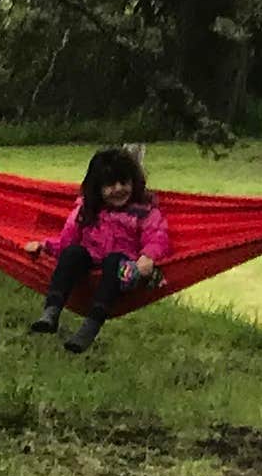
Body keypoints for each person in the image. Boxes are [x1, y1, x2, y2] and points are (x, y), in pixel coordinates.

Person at [29, 147, 171, 351]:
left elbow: (158, 237)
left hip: (122, 269)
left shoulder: (144, 212)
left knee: (114, 261)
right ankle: (51, 311)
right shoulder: (86, 211)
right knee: (72, 253)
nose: (119, 189)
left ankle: (90, 326)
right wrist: (45, 247)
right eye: (110, 185)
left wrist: (148, 257)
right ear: (97, 188)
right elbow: (67, 241)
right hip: (89, 262)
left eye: (124, 182)